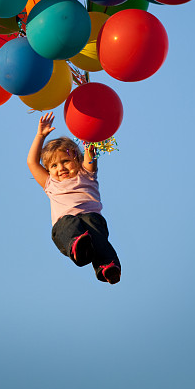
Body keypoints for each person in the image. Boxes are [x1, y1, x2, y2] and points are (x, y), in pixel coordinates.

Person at [27, 111, 121, 284]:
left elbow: (90, 153)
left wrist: (89, 133)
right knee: (69, 222)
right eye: (54, 165)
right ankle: (78, 246)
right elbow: (32, 162)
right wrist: (40, 136)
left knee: (100, 241)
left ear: (77, 159)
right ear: (48, 170)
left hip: (93, 222)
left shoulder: (86, 174)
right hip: (65, 228)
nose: (60, 167)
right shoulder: (50, 184)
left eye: (65, 161)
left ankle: (108, 268)